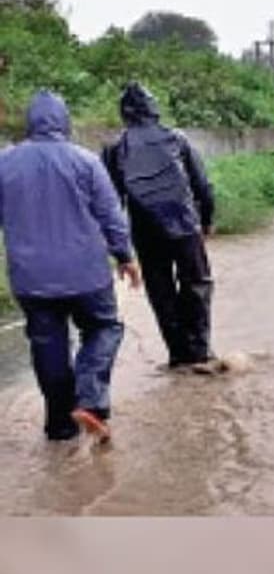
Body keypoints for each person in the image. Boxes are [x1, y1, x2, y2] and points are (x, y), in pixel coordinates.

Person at [0, 91, 142, 443]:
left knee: (48, 346)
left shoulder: (4, 163)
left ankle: (60, 428)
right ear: (65, 122)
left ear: (30, 123)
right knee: (104, 328)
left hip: (31, 278)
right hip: (86, 274)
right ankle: (90, 399)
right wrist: (125, 256)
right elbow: (110, 215)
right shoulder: (86, 161)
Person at [103, 82, 219, 374]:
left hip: (146, 230)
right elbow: (202, 185)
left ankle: (178, 355)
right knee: (197, 283)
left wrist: (120, 250)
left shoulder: (115, 148)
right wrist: (206, 220)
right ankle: (200, 352)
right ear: (153, 109)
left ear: (124, 113)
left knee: (161, 291)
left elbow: (111, 202)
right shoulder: (177, 139)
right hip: (185, 224)